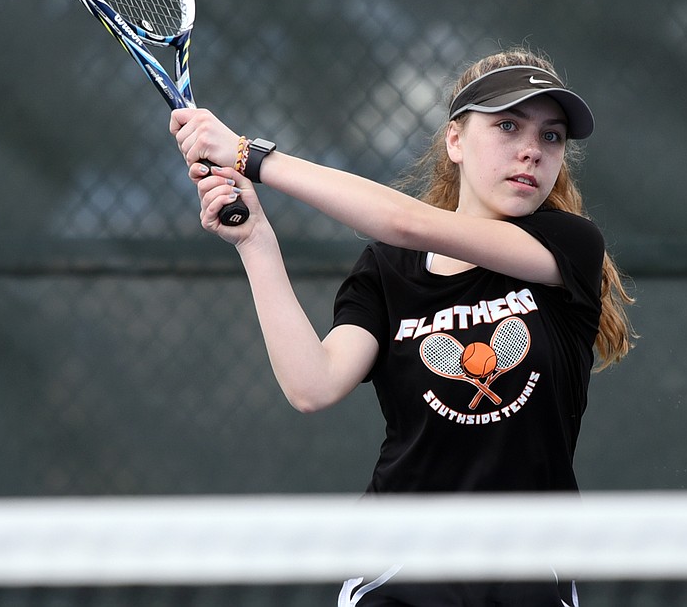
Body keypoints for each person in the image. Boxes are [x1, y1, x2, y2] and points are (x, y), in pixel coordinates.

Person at [170, 48, 636, 606]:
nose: (532, 150)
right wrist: (255, 242)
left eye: (552, 136)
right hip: (402, 568)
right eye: (507, 126)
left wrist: (249, 155)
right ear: (455, 141)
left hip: (531, 570)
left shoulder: (571, 248)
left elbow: (404, 221)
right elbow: (313, 384)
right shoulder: (388, 271)